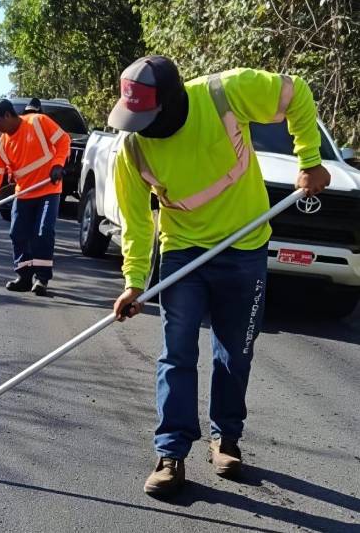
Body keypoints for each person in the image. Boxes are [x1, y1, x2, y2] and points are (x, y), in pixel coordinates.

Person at [108, 56, 331, 496]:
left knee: (235, 352)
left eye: (148, 118)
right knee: (176, 352)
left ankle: (226, 438)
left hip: (244, 247)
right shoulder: (132, 148)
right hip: (182, 251)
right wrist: (134, 282)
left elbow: (298, 92)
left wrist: (309, 159)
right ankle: (170, 453)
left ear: (173, 103)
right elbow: (136, 223)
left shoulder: (225, 93)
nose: (141, 128)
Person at [0, 98, 70, 295]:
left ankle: (41, 278)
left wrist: (58, 164)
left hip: (48, 189)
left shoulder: (38, 121)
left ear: (7, 115)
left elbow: (63, 140)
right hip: (24, 193)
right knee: (17, 232)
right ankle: (24, 276)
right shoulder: (1, 145)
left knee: (43, 232)